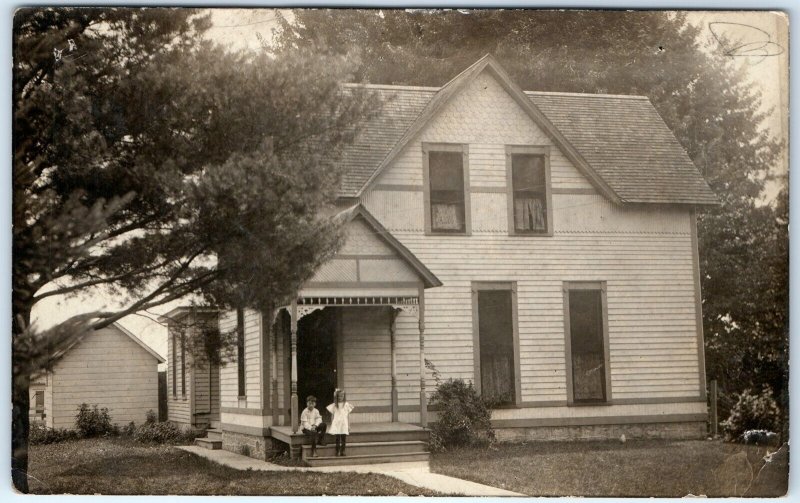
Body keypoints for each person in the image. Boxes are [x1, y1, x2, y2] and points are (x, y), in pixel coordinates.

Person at [326, 388, 354, 456]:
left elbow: (348, 416)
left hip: (344, 423)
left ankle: (343, 450)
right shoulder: (334, 405)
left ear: (344, 396)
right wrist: (332, 424)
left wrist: (349, 425)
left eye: (342, 396)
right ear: (336, 397)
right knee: (338, 438)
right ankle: (337, 450)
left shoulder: (346, 405)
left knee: (343, 438)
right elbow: (332, 415)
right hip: (337, 423)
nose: (340, 398)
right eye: (339, 396)